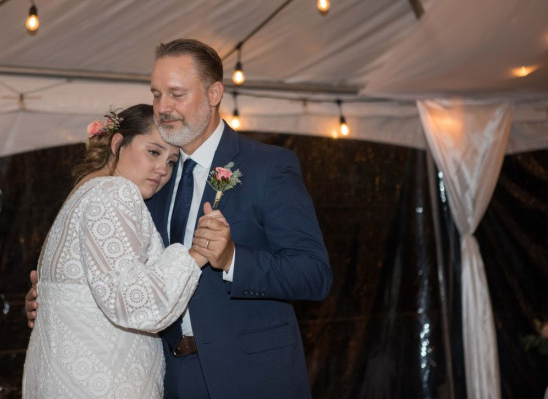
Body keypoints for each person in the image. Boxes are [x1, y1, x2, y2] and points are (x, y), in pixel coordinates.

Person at [27, 39, 333, 398]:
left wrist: (233, 259)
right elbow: (122, 272)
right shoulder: (150, 181)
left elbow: (314, 274)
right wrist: (58, 297)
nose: (163, 108)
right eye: (156, 95)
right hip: (170, 377)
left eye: (176, 94)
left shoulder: (267, 166)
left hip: (250, 376)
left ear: (214, 93)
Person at [22, 104, 222, 398]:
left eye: (171, 161)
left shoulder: (81, 193)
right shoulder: (115, 192)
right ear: (118, 144)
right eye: (154, 152)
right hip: (105, 384)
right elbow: (136, 305)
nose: (162, 170)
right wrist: (196, 254)